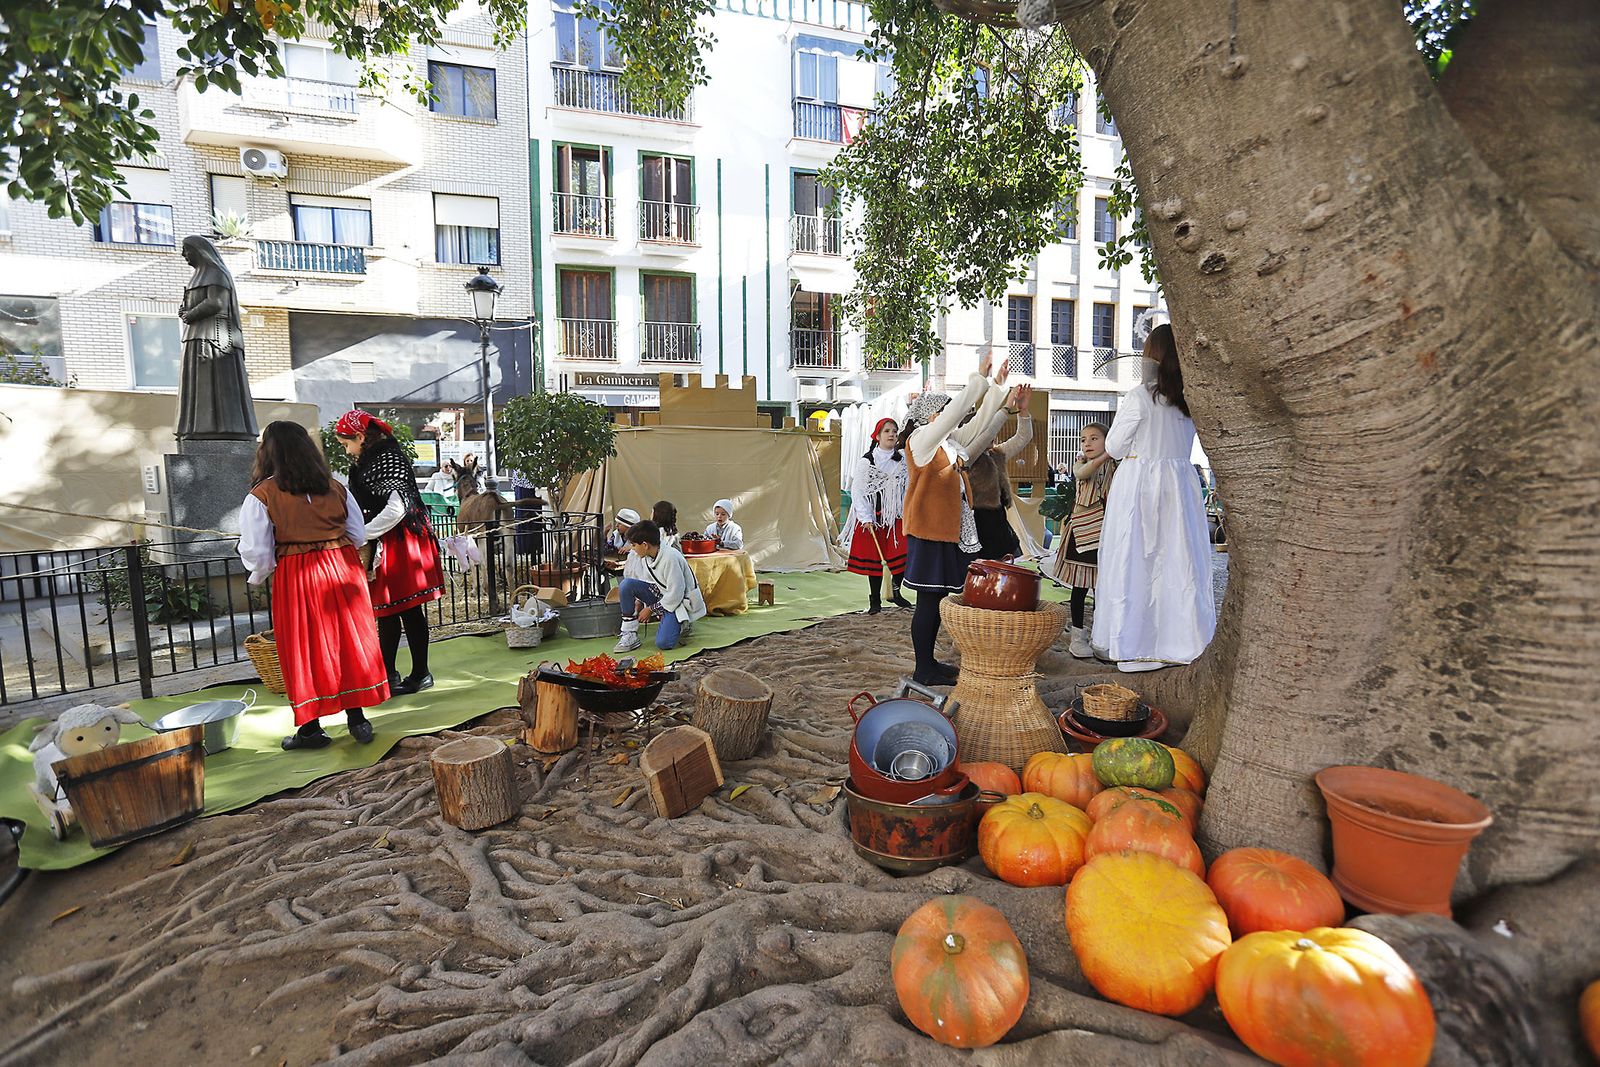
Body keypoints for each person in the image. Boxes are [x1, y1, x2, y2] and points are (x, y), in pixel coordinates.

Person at [237, 421, 389, 749]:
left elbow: (258, 553)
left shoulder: (262, 495)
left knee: (303, 647)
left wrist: (259, 575)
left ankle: (310, 729)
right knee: (348, 641)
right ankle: (357, 719)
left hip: (299, 574)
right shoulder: (334, 486)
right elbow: (358, 534)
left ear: (268, 452)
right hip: (343, 568)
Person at [1092, 323, 1217, 671]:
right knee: (1179, 560)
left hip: (1139, 485)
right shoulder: (1189, 399)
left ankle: (1135, 645)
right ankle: (1181, 642)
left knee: (1134, 561)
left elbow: (1114, 447)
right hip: (1179, 484)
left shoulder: (1140, 397)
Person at [901, 356, 1015, 686]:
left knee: (936, 600)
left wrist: (995, 389)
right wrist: (978, 378)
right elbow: (954, 417)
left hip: (948, 532)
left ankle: (929, 664)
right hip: (929, 533)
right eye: (945, 412)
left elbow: (979, 424)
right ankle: (923, 667)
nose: (951, 417)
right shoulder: (920, 440)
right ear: (930, 416)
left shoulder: (949, 445)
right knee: (927, 600)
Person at [335, 410, 444, 695]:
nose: (347, 450)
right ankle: (388, 673)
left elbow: (398, 507)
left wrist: (363, 533)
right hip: (387, 540)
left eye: (347, 444)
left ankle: (420, 673)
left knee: (406, 609)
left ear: (360, 436)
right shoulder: (367, 461)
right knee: (387, 611)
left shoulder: (388, 458)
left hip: (401, 540)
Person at [176, 235, 257, 442]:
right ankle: (196, 429)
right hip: (196, 338)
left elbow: (216, 303)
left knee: (217, 387)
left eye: (187, 250)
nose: (183, 255)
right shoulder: (197, 276)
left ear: (199, 251)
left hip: (215, 339)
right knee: (197, 387)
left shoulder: (216, 273)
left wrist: (190, 314)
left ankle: (222, 428)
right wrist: (185, 311)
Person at [1048, 421, 1116, 658]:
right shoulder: (1081, 463)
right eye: (1083, 439)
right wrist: (1106, 454)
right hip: (1082, 532)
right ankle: (1078, 635)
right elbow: (1081, 474)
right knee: (1080, 586)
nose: (1087, 443)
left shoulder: (1116, 466)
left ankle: (1100, 635)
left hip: (1107, 532)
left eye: (1094, 438)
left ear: (1108, 439)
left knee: (1102, 588)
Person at [840, 417, 913, 614]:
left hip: (896, 516)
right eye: (887, 431)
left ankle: (895, 593)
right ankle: (875, 600)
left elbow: (908, 486)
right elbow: (859, 491)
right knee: (876, 560)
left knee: (901, 555)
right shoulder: (867, 461)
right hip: (874, 517)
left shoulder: (902, 459)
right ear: (878, 436)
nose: (892, 434)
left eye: (894, 431)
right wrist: (865, 517)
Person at [961, 383, 1035, 560]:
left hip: (997, 519)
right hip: (975, 520)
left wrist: (1023, 410)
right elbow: (986, 435)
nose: (993, 434)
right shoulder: (965, 456)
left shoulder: (997, 454)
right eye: (987, 429)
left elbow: (1023, 437)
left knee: (1002, 570)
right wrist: (1006, 406)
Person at [614, 519, 708, 653]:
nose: (633, 549)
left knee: (664, 643)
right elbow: (648, 583)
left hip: (680, 602)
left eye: (634, 545)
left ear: (645, 545)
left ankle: (683, 623)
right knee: (627, 585)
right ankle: (629, 633)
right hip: (663, 596)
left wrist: (651, 609)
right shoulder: (647, 557)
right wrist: (639, 602)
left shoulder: (671, 557)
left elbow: (677, 594)